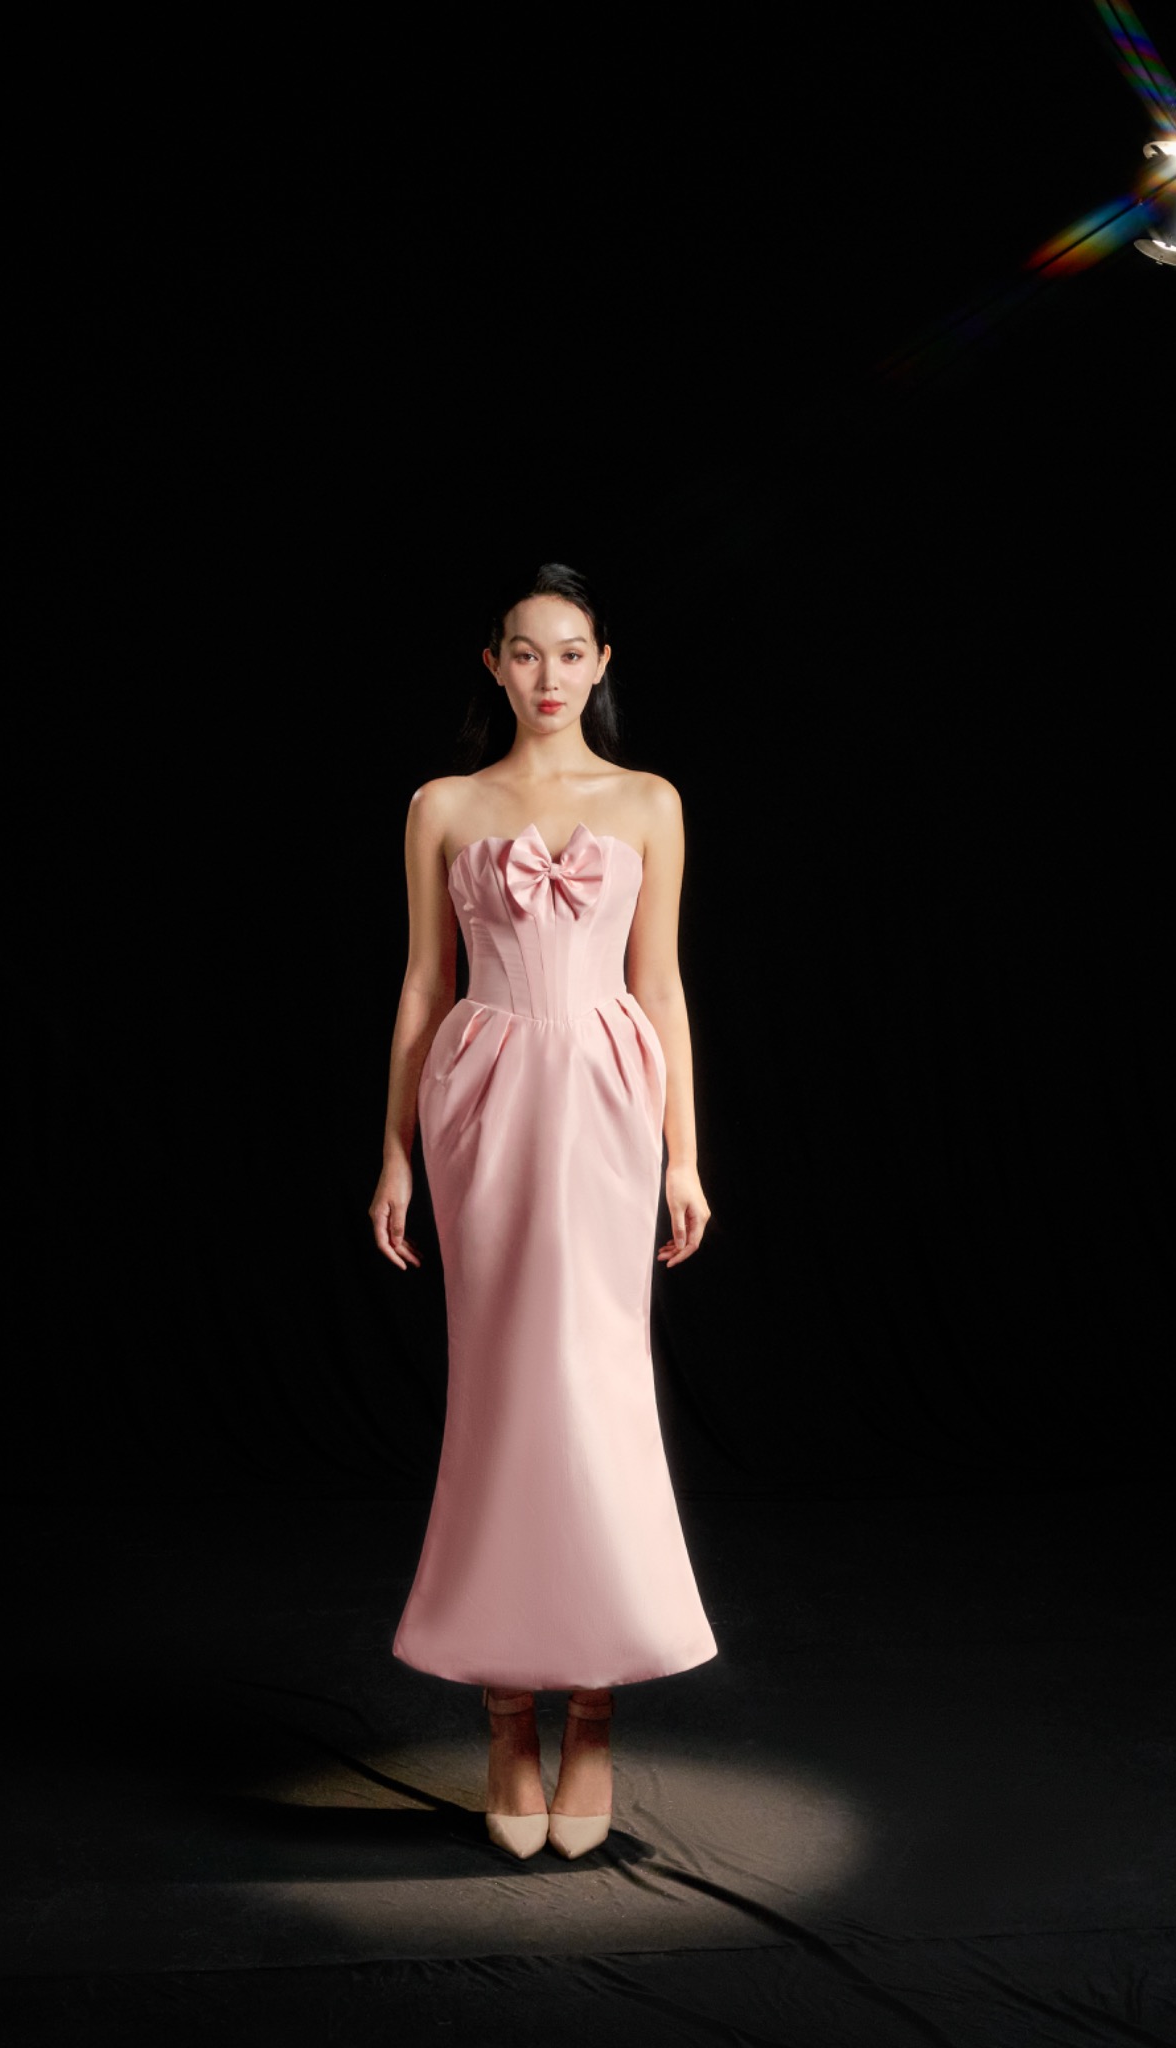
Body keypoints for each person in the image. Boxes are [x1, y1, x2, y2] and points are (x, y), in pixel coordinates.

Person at [369, 562, 717, 1861]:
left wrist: (683, 1158)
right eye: (525, 652)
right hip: (484, 1094)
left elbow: (662, 985)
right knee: (505, 1390)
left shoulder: (649, 801)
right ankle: (508, 1715)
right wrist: (394, 1154)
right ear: (493, 666)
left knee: (598, 1390)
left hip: (611, 1096)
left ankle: (598, 1708)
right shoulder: (443, 804)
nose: (549, 676)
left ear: (603, 662)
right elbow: (422, 983)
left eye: (571, 652)